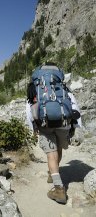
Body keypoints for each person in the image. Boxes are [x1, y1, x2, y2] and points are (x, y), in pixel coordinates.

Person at [26, 65, 82, 204]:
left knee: (51, 154)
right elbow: (73, 105)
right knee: (59, 149)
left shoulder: (36, 88)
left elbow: (29, 109)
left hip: (45, 125)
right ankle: (53, 174)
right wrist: (76, 126)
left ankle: (58, 188)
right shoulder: (62, 88)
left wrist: (33, 128)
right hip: (64, 124)